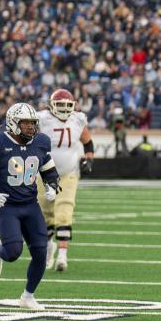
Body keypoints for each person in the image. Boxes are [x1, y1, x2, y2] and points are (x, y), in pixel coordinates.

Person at [0, 103, 61, 310]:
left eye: (33, 123)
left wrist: (53, 186)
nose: (31, 128)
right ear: (14, 123)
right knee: (13, 252)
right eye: (26, 123)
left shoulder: (41, 141)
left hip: (30, 204)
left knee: (41, 251)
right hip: (7, 205)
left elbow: (49, 171)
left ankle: (28, 296)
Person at [37, 89, 94, 272]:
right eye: (59, 105)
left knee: (64, 212)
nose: (63, 109)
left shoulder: (77, 119)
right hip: (44, 173)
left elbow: (87, 141)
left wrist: (89, 158)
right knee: (44, 215)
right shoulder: (42, 119)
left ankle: (62, 256)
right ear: (51, 105)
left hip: (68, 173)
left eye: (66, 105)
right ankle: (47, 249)